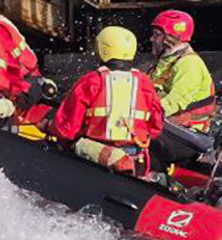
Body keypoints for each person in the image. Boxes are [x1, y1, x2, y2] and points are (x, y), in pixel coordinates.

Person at [45, 26, 164, 175]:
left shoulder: (92, 81)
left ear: (103, 49)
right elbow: (155, 126)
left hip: (96, 159)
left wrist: (48, 127)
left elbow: (67, 128)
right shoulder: (145, 83)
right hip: (135, 159)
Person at [148, 10, 216, 133]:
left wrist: (142, 115)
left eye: (157, 34)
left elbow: (175, 101)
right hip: (169, 125)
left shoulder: (190, 64)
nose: (151, 39)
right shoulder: (166, 60)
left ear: (170, 37)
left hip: (187, 134)